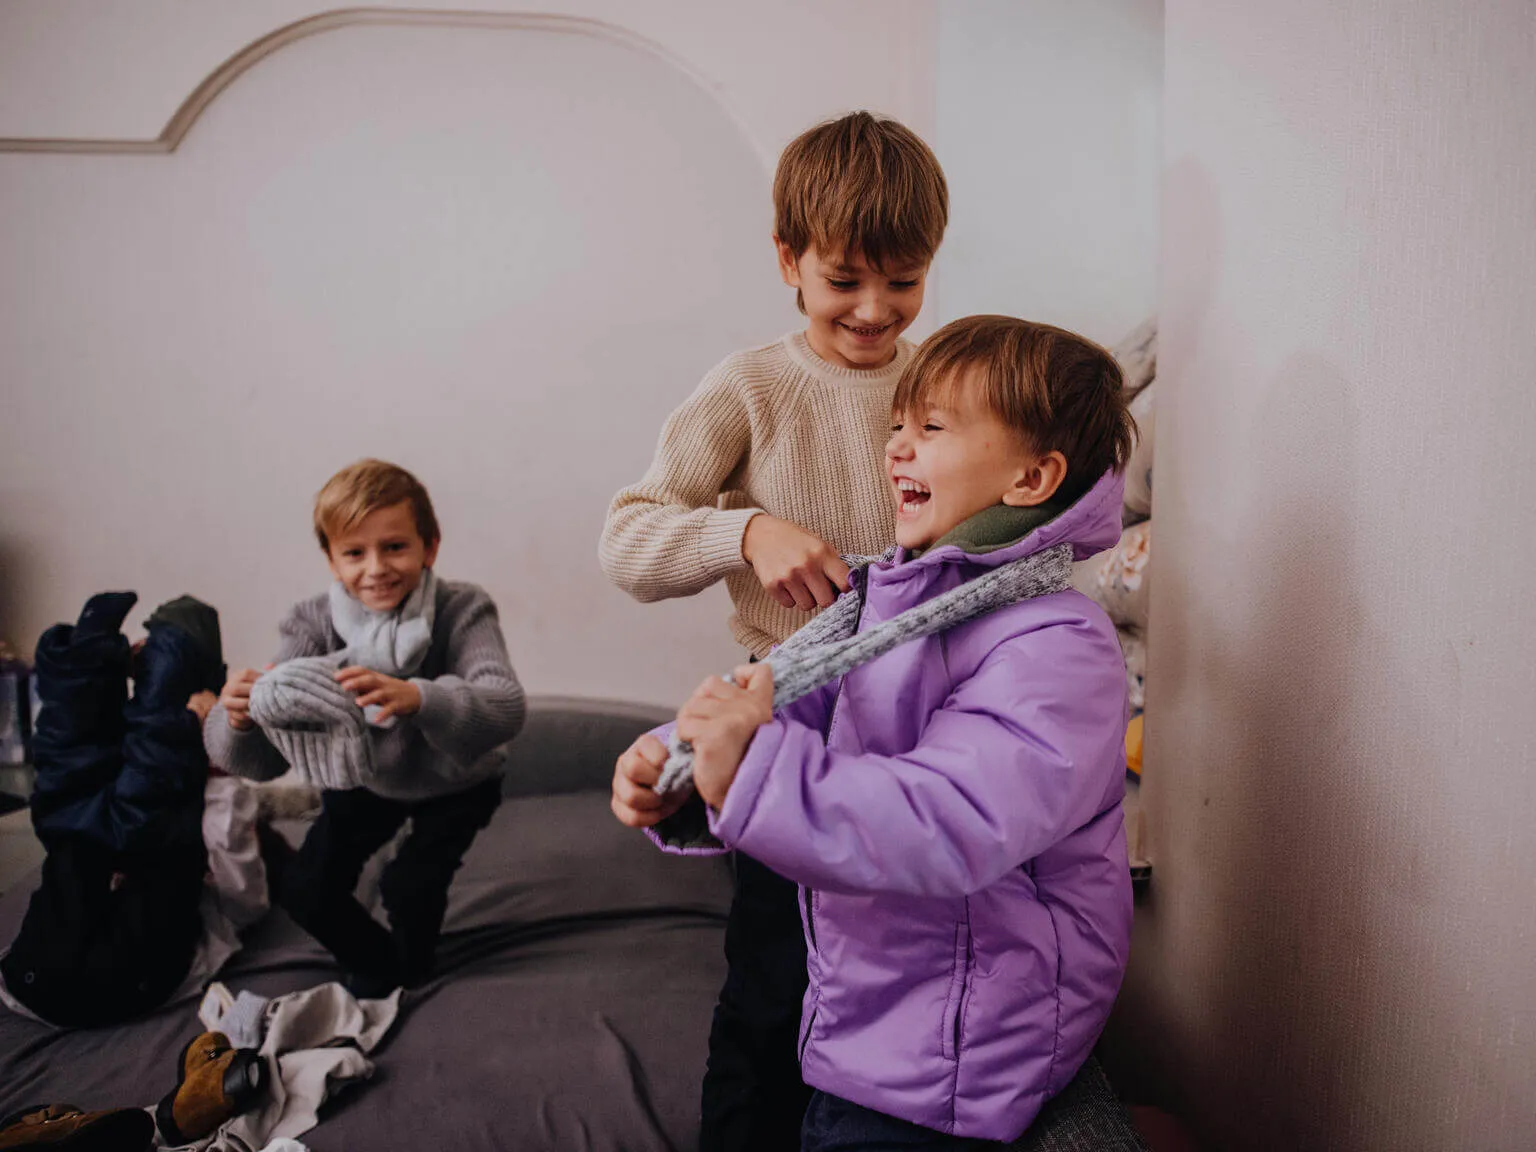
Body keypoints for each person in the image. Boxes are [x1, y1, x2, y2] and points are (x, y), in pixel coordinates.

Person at [614, 316, 1136, 1148]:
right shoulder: (889, 604)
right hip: (867, 1021)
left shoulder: (1056, 645)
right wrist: (680, 769)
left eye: (931, 429)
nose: (895, 447)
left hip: (959, 1055)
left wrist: (749, 767)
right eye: (898, 424)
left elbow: (949, 817)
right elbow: (793, 708)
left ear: (1033, 478)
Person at [599, 111, 949, 1151]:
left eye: (905, 280)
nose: (875, 311)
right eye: (845, 279)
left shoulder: (946, 387)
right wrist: (744, 531)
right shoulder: (747, 389)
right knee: (772, 982)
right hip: (784, 725)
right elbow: (627, 542)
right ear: (788, 260)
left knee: (892, 981)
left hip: (919, 726)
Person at [205, 459, 525, 995]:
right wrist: (239, 715)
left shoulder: (462, 607)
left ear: (431, 547)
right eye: (354, 552)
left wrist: (420, 697)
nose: (376, 568)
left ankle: (417, 969)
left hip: (458, 781)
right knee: (307, 889)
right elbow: (265, 759)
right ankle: (385, 966)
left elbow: (504, 705)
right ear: (331, 560)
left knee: (409, 888)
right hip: (366, 776)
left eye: (395, 547)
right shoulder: (311, 622)